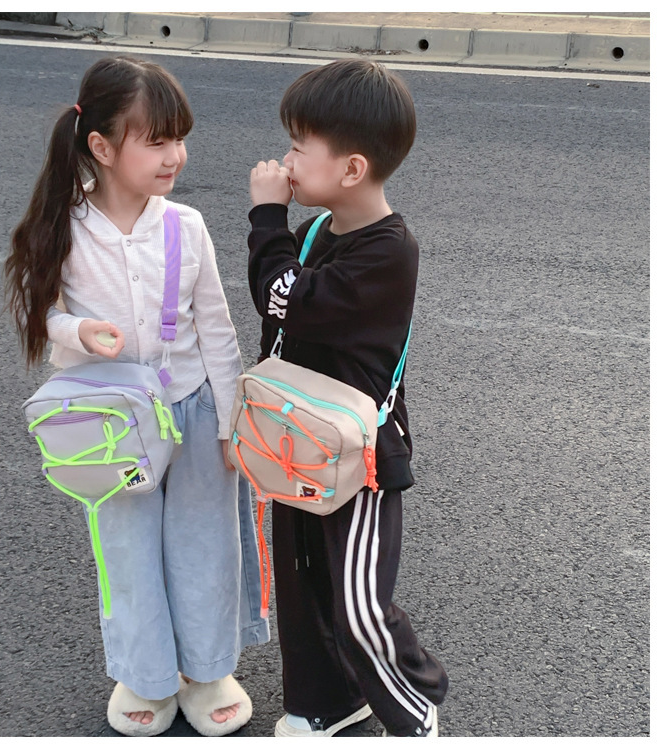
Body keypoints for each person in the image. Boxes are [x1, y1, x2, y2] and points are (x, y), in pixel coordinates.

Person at [4, 55, 269, 738]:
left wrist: (232, 423)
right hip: (113, 423)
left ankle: (207, 672)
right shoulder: (64, 225)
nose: (174, 155)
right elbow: (42, 313)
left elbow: (217, 329)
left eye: (179, 139)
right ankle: (145, 675)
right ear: (101, 146)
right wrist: (79, 332)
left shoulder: (187, 225)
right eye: (156, 141)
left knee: (208, 546)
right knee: (127, 551)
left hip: (196, 411)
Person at [246, 59, 449, 738]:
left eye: (299, 147)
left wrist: (266, 215)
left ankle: (414, 706)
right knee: (304, 581)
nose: (286, 161)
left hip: (360, 456)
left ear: (353, 168)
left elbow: (284, 299)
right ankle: (327, 703)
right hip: (303, 441)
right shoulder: (318, 231)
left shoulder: (389, 251)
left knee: (360, 602)